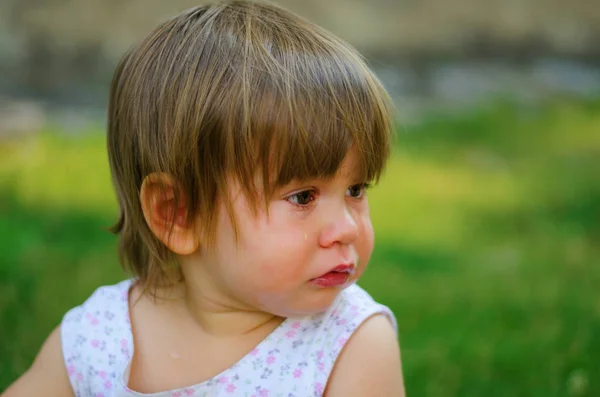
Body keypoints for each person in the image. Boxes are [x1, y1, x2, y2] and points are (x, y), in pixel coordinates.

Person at [3, 1, 405, 396]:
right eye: (303, 197)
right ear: (178, 213)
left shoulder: (352, 345)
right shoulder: (97, 340)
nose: (348, 228)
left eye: (356, 190)